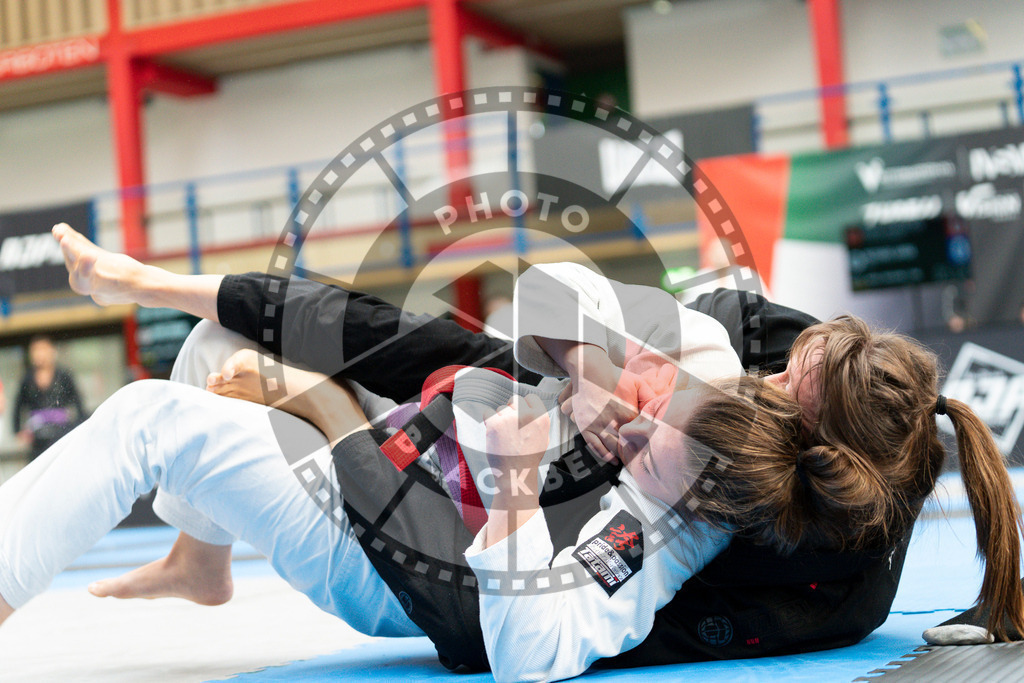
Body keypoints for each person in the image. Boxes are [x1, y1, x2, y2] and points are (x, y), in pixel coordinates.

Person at [1, 224, 1021, 678]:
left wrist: (513, 488)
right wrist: (587, 367)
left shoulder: (685, 506)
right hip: (435, 477)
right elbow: (547, 297)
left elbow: (519, 642)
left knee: (150, 416)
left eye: (657, 396)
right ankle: (201, 557)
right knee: (222, 348)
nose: (644, 385)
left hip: (415, 560)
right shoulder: (722, 366)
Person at [13, 335, 85, 461]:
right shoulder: (27, 379)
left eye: (43, 349)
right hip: (37, 438)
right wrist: (18, 430)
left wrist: (79, 426)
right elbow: (18, 405)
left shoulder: (64, 376)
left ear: (51, 351)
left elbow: (78, 402)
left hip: (61, 434)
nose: (39, 354)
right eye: (35, 350)